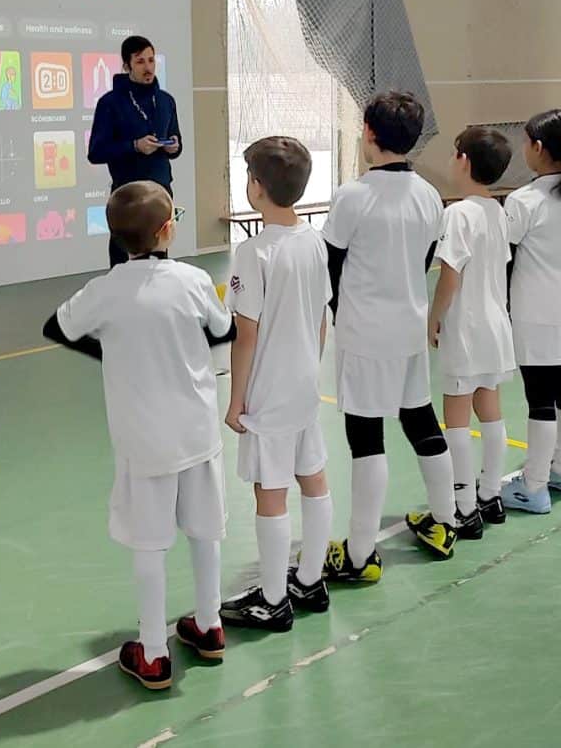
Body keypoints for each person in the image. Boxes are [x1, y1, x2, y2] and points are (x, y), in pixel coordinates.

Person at [40, 181, 233, 691]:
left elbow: (57, 327)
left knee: (149, 543)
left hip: (144, 441)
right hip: (196, 432)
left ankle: (153, 653)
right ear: (168, 229)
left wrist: (112, 351)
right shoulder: (193, 280)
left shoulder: (104, 291)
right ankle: (210, 625)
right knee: (205, 530)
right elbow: (223, 329)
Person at [320, 91, 456, 583]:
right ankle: (445, 522)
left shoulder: (352, 196)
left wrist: (338, 312)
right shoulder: (429, 195)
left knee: (366, 437)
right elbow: (425, 259)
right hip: (409, 327)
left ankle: (360, 554)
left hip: (365, 333)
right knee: (420, 419)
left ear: (369, 133)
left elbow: (330, 265)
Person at [219, 136, 334, 632]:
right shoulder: (314, 241)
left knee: (271, 491)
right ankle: (310, 579)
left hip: (269, 389)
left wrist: (235, 401)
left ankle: (272, 599)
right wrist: (311, 366)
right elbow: (322, 318)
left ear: (257, 187)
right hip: (304, 384)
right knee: (313, 476)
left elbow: (246, 334)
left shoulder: (253, 252)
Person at [429, 127, 515, 536]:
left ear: (463, 160)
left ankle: (464, 506)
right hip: (496, 325)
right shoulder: (497, 210)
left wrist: (434, 317)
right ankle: (491, 494)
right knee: (490, 409)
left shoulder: (458, 213)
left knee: (458, 418)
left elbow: (450, 275)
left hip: (465, 326)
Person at [499, 110, 561, 514]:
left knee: (539, 397)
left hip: (537, 309)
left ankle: (533, 486)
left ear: (537, 147)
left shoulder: (524, 200)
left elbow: (505, 259)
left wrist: (498, 303)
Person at [86, 35, 183, 266]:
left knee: (159, 263)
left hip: (160, 192)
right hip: (127, 196)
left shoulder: (166, 101)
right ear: (126, 65)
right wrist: (134, 146)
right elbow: (96, 152)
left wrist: (174, 146)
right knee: (123, 261)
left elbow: (176, 142)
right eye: (140, 62)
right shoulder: (110, 103)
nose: (148, 67)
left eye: (151, 60)